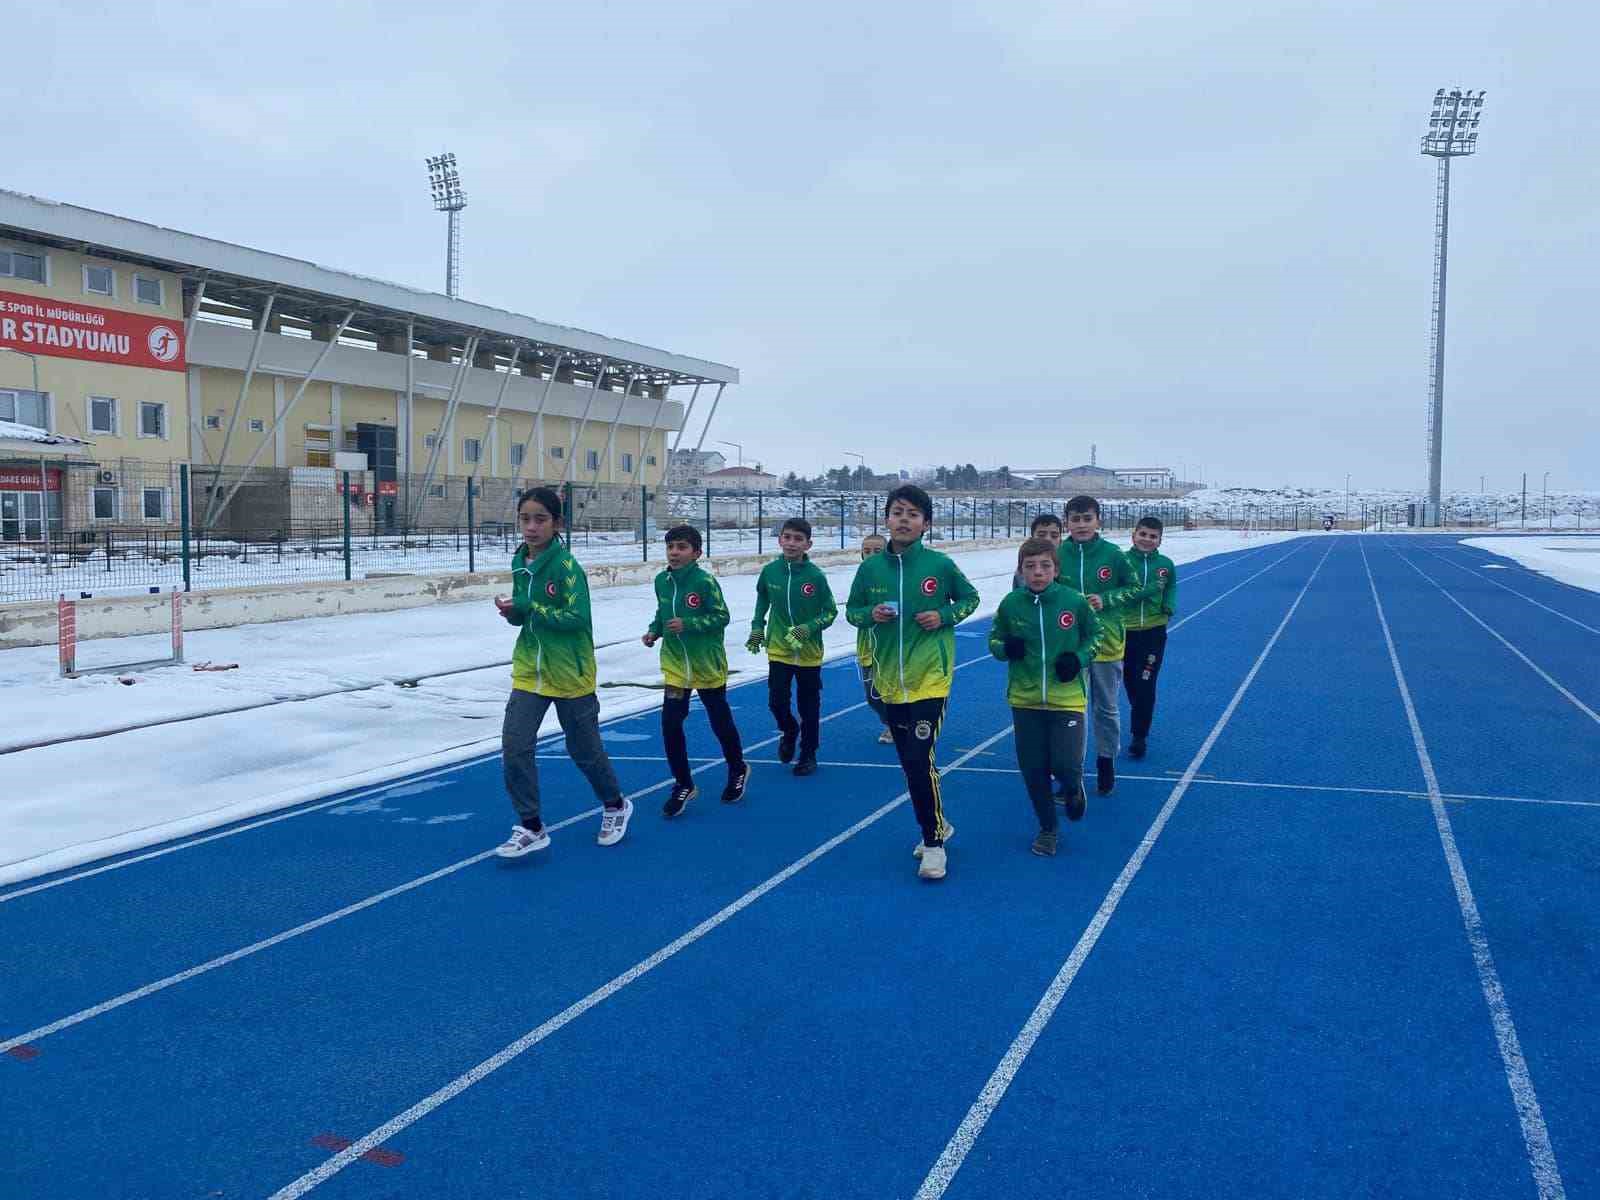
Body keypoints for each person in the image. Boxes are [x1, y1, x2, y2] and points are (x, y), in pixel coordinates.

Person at [846, 485, 980, 881]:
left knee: (920, 760)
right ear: (886, 518)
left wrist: (943, 615)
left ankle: (934, 843)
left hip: (930, 681)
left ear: (926, 524)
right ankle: (937, 823)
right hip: (889, 681)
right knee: (911, 763)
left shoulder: (939, 566)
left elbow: (970, 599)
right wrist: (871, 613)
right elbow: (852, 613)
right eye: (897, 512)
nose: (904, 519)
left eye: (913, 514)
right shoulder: (870, 569)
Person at [494, 487, 631, 857]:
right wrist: (514, 613)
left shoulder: (567, 567)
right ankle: (531, 825)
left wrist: (529, 606)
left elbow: (576, 618)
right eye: (525, 518)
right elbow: (526, 616)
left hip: (571, 673)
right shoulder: (519, 562)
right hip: (530, 671)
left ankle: (615, 804)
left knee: (584, 750)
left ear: (558, 524)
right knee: (515, 745)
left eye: (541, 519)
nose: (531, 527)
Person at [990, 537, 1100, 855]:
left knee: (1065, 763)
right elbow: (994, 639)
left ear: (1056, 569)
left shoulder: (1074, 601)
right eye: (1030, 566)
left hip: (1066, 698)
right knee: (1033, 768)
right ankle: (1048, 828)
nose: (1037, 572)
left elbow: (1096, 634)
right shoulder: (1011, 604)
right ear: (1021, 570)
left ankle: (1072, 787)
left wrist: (1078, 658)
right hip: (1025, 699)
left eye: (1045, 566)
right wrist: (1005, 648)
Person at [643, 525, 749, 817]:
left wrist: (690, 625)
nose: (675, 552)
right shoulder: (662, 581)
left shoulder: (705, 582)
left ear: (697, 553)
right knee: (671, 723)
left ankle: (737, 767)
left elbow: (721, 616)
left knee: (719, 719)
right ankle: (683, 783)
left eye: (681, 547)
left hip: (706, 665)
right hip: (676, 667)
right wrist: (654, 631)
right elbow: (662, 612)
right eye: (671, 547)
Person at [1057, 495, 1150, 795]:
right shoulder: (1058, 554)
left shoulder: (1113, 555)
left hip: (1107, 644)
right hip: (1070, 647)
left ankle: (1106, 760)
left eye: (1087, 518)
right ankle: (1072, 770)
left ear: (1099, 521)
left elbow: (1136, 588)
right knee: (1072, 711)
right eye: (1075, 519)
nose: (1081, 525)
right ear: (1067, 522)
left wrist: (1106, 599)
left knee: (1106, 708)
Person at [747, 518, 838, 776]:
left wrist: (809, 628)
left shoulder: (815, 577)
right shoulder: (770, 571)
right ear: (780, 540)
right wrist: (757, 627)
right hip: (779, 648)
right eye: (787, 537)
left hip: (808, 653)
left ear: (808, 544)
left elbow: (830, 611)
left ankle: (808, 754)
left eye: (798, 539)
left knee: (809, 706)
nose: (791, 543)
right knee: (777, 701)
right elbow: (763, 598)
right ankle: (789, 730)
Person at [1122, 516, 1179, 760]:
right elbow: (1122, 594)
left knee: (1146, 682)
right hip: (1125, 631)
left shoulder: (1166, 564)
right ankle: (1140, 711)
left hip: (1154, 632)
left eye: (1153, 536)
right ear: (1134, 535)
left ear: (1160, 540)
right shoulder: (1122, 562)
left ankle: (1139, 736)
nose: (1147, 539)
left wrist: (1168, 605)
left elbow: (1171, 586)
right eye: (1143, 534)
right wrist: (1149, 590)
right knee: (1130, 681)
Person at [856, 533, 894, 744]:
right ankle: (890, 721)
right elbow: (853, 611)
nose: (870, 555)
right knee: (872, 696)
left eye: (877, 551)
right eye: (867, 551)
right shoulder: (860, 580)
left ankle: (895, 726)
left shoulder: (895, 576)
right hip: (867, 648)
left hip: (892, 646)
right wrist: (867, 614)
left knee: (892, 691)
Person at [1011, 512, 1064, 589]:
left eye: (1054, 536)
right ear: (1032, 538)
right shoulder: (1023, 573)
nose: (1048, 539)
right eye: (1041, 535)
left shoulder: (1069, 564)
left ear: (1060, 540)